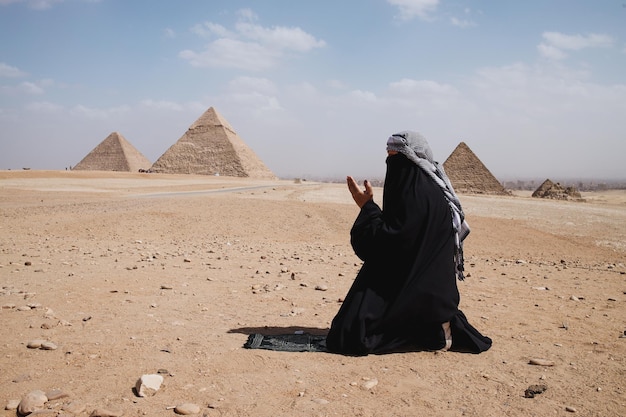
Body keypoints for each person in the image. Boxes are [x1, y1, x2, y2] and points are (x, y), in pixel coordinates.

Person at [325, 131, 492, 355]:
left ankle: (433, 328)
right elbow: (400, 244)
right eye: (388, 156)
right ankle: (435, 325)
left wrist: (368, 208)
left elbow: (385, 245)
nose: (390, 164)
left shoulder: (414, 194)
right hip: (436, 295)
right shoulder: (433, 191)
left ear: (411, 159)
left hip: (420, 291)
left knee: (348, 336)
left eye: (395, 157)